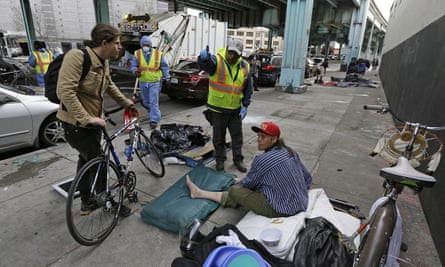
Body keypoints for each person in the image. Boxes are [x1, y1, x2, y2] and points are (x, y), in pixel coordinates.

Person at [56, 24, 134, 217]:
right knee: (100, 161)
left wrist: (127, 104)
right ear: (104, 43)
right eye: (116, 43)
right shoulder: (77, 57)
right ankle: (107, 202)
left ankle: (87, 202)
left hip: (93, 124)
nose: (119, 47)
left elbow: (109, 85)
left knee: (86, 160)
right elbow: (65, 91)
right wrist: (87, 118)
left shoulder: (103, 61)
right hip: (76, 125)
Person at [186, 121, 312, 217]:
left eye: (263, 137)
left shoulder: (262, 160)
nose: (258, 140)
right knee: (257, 184)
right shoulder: (289, 151)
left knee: (235, 191)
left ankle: (199, 193)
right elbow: (307, 178)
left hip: (282, 209)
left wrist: (240, 183)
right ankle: (199, 193)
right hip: (301, 201)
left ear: (273, 140)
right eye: (258, 135)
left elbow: (248, 185)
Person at [198, 38, 253, 173]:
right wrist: (202, 58)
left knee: (237, 138)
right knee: (219, 138)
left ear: (240, 54)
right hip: (218, 109)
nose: (232, 56)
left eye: (235, 54)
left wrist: (245, 105)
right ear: (227, 49)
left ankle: (238, 160)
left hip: (235, 110)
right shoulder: (217, 61)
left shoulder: (245, 66)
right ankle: (220, 161)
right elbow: (206, 64)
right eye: (230, 52)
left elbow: (248, 88)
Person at [131, 35, 170, 129]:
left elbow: (164, 66)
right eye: (144, 44)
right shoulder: (137, 54)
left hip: (155, 81)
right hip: (143, 81)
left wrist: (167, 77)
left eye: (147, 44)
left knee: (153, 101)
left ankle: (154, 120)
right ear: (141, 45)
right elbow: (133, 66)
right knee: (146, 101)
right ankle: (153, 113)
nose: (146, 46)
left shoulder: (158, 54)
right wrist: (135, 71)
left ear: (150, 45)